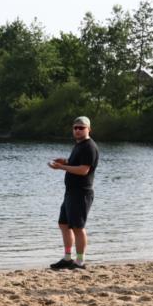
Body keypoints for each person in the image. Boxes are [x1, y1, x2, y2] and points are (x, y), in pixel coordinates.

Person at [48, 116, 99, 270]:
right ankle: (67, 258)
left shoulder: (89, 146)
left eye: (81, 128)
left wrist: (61, 168)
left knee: (78, 227)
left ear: (88, 129)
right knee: (63, 224)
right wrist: (65, 161)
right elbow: (76, 164)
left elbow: (84, 170)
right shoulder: (78, 145)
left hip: (81, 193)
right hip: (70, 192)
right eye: (75, 127)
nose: (77, 130)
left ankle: (80, 261)